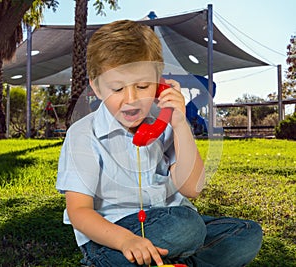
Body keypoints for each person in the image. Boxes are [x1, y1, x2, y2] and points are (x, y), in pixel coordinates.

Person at [56, 20, 262, 267]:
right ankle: (116, 259)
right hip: (113, 234)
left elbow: (191, 189)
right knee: (187, 227)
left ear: (158, 84)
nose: (131, 100)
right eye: (118, 88)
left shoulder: (164, 124)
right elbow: (79, 212)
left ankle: (163, 262)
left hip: (172, 221)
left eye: (142, 86)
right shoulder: (83, 134)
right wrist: (125, 241)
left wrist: (179, 124)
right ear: (97, 89)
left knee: (248, 233)